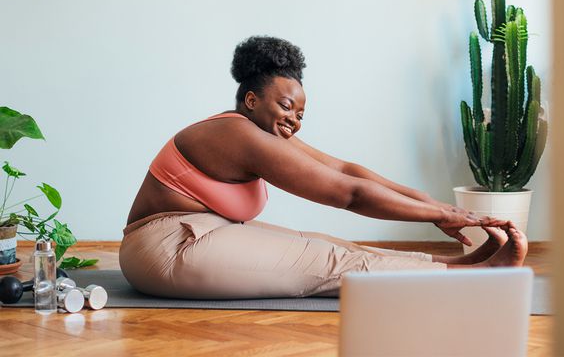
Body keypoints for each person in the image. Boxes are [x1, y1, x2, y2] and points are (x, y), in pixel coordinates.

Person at [120, 36, 527, 299]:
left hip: (203, 232)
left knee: (329, 243)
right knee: (328, 261)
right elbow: (348, 194)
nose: (294, 120)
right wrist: (449, 213)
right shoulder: (238, 135)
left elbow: (347, 169)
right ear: (250, 100)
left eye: (300, 113)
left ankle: (458, 267)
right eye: (285, 106)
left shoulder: (261, 132)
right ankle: (472, 282)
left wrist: (428, 202)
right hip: (165, 248)